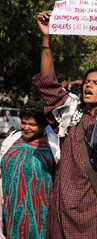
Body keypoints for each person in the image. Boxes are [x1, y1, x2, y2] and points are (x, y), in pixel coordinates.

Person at [34, 10, 97, 238]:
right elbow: (49, 85)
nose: (88, 85)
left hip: (94, 211)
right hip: (61, 207)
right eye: (87, 82)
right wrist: (46, 38)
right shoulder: (70, 113)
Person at [0, 101, 59, 239]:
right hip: (12, 208)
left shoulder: (54, 146)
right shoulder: (12, 139)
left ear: (43, 125)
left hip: (40, 211)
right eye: (24, 123)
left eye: (32, 124)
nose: (26, 128)